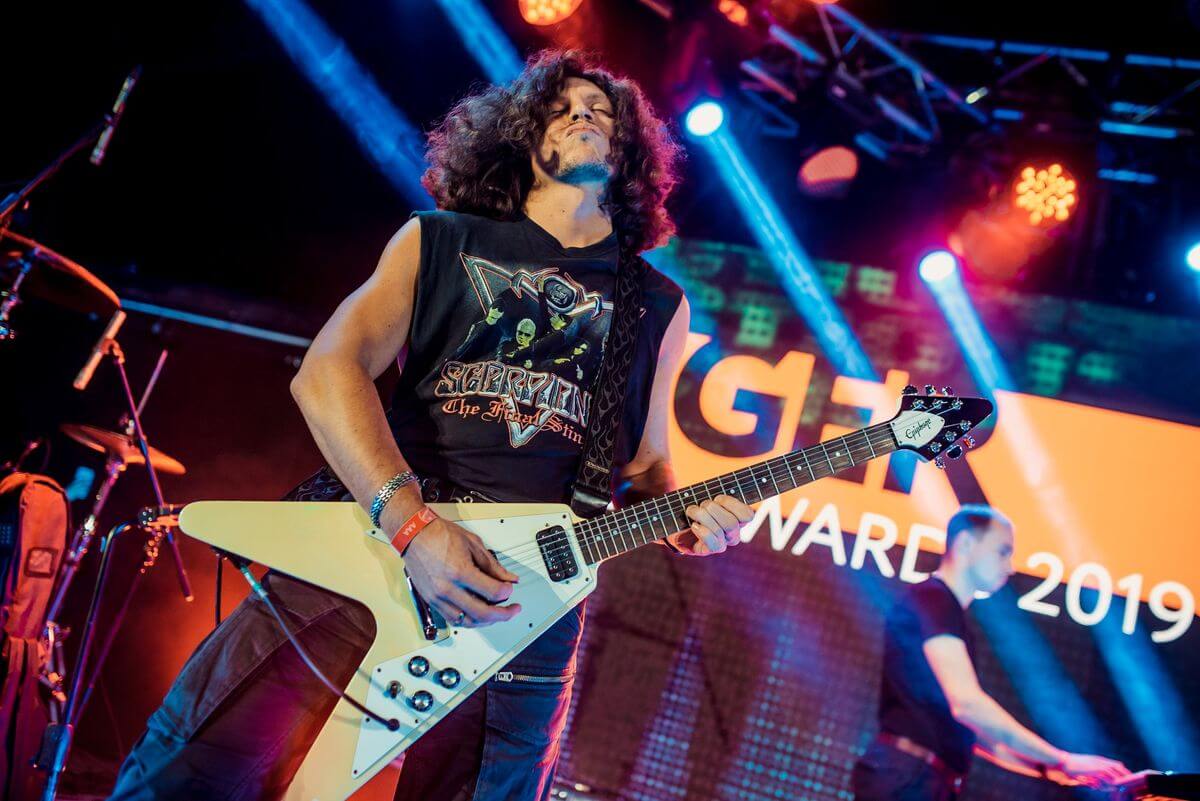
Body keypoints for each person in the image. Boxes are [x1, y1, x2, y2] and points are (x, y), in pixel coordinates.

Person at [107, 49, 754, 801]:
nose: (583, 113)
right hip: (369, 552)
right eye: (561, 107)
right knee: (190, 772)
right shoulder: (440, 239)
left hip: (527, 604)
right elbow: (328, 372)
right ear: (521, 136)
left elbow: (645, 467)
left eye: (602, 110)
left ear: (629, 147)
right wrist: (414, 528)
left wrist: (686, 517)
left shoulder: (660, 304)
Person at [852, 505, 1131, 800]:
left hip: (918, 780)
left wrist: (1055, 770)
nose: (1010, 567)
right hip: (906, 778)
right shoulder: (933, 599)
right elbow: (968, 705)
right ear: (965, 544)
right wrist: (1062, 760)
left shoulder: (946, 611)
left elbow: (980, 737)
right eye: (1003, 552)